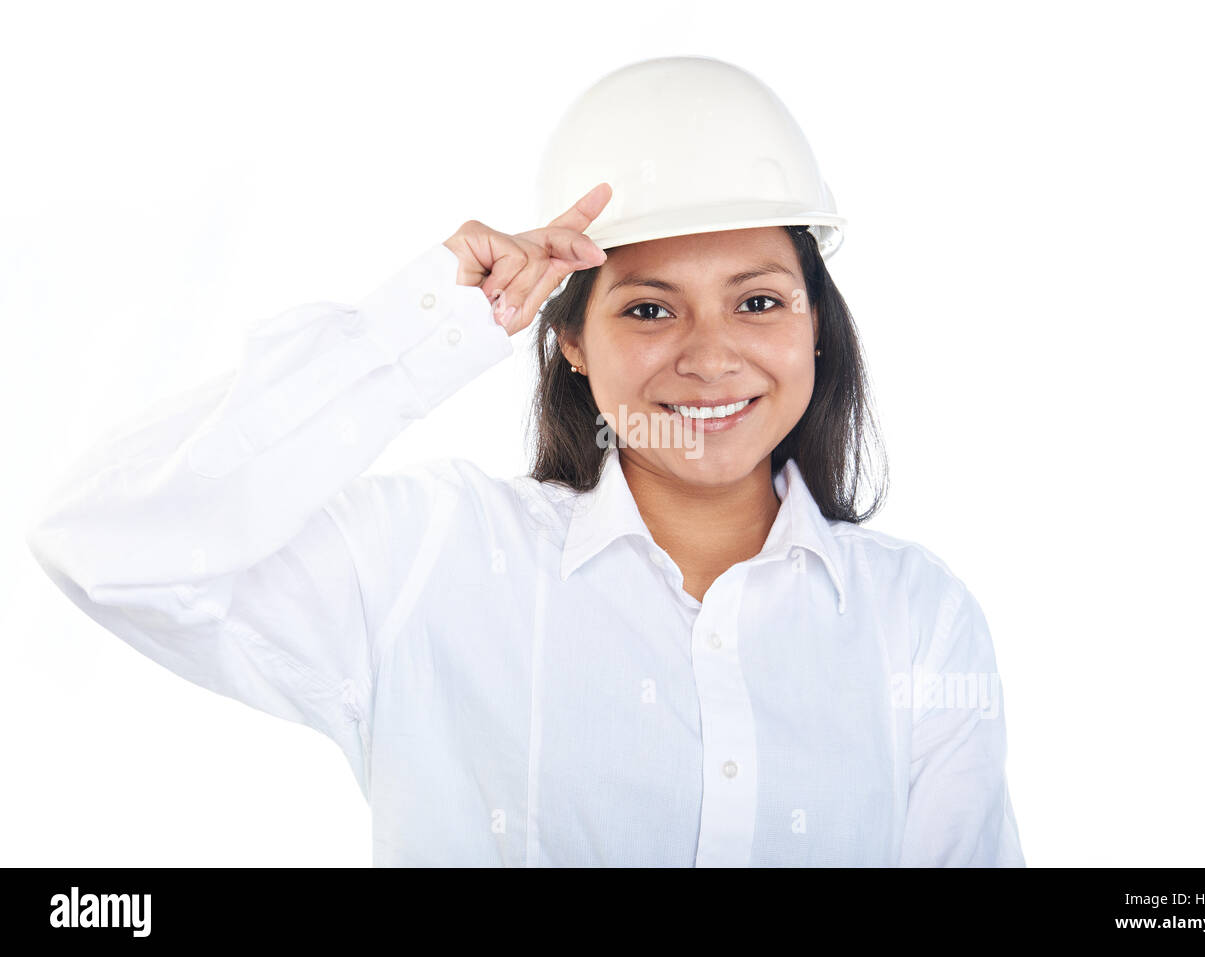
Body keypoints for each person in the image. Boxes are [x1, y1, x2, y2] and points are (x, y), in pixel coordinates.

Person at [25, 56, 1024, 867]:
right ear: (572, 343)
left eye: (758, 300)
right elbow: (104, 543)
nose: (710, 354)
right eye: (646, 307)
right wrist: (428, 323)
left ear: (816, 328)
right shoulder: (434, 565)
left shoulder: (917, 624)